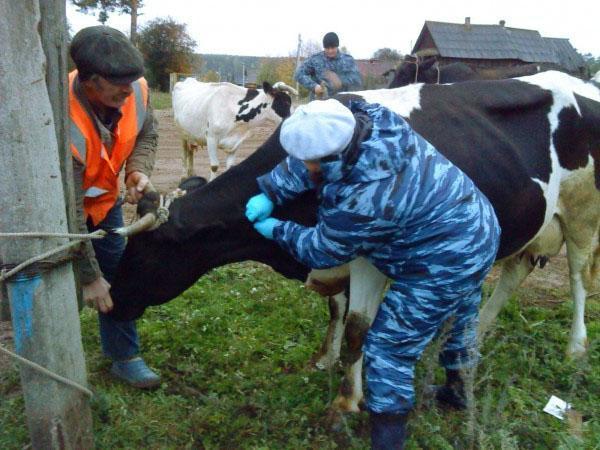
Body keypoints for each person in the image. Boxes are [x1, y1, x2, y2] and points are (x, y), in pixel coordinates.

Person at [245, 99, 500, 449]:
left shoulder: (363, 197)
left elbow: (322, 250)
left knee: (387, 349)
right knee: (462, 312)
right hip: (476, 220)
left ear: (330, 157)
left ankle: (387, 438)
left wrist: (276, 229)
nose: (304, 166)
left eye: (310, 161)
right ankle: (457, 390)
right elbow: (315, 159)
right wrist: (273, 190)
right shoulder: (375, 121)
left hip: (443, 258)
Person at [69, 26, 160, 388]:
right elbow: (68, 208)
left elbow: (147, 132)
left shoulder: (133, 88)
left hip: (105, 204)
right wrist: (89, 276)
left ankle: (124, 357)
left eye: (132, 81)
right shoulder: (59, 114)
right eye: (118, 84)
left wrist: (138, 169)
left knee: (117, 274)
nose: (129, 90)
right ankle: (57, 353)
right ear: (90, 82)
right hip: (62, 211)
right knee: (61, 281)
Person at [295, 32, 362, 100]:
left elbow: (357, 80)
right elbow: (298, 74)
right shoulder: (315, 59)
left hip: (342, 103)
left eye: (333, 48)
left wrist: (340, 81)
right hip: (319, 103)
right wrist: (314, 86)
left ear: (337, 46)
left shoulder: (348, 60)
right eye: (327, 48)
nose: (330, 51)